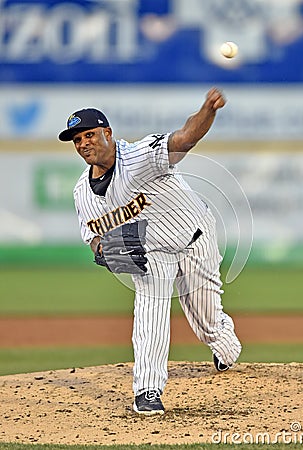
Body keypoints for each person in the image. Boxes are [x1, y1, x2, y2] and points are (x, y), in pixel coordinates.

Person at [58, 88, 242, 416]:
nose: (84, 143)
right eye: (77, 140)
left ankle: (225, 346)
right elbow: (94, 239)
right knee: (149, 309)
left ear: (107, 133)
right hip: (153, 252)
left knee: (207, 321)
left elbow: (184, 139)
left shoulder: (140, 155)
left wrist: (208, 111)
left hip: (195, 236)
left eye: (89, 135)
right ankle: (147, 389)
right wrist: (106, 251)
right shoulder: (82, 193)